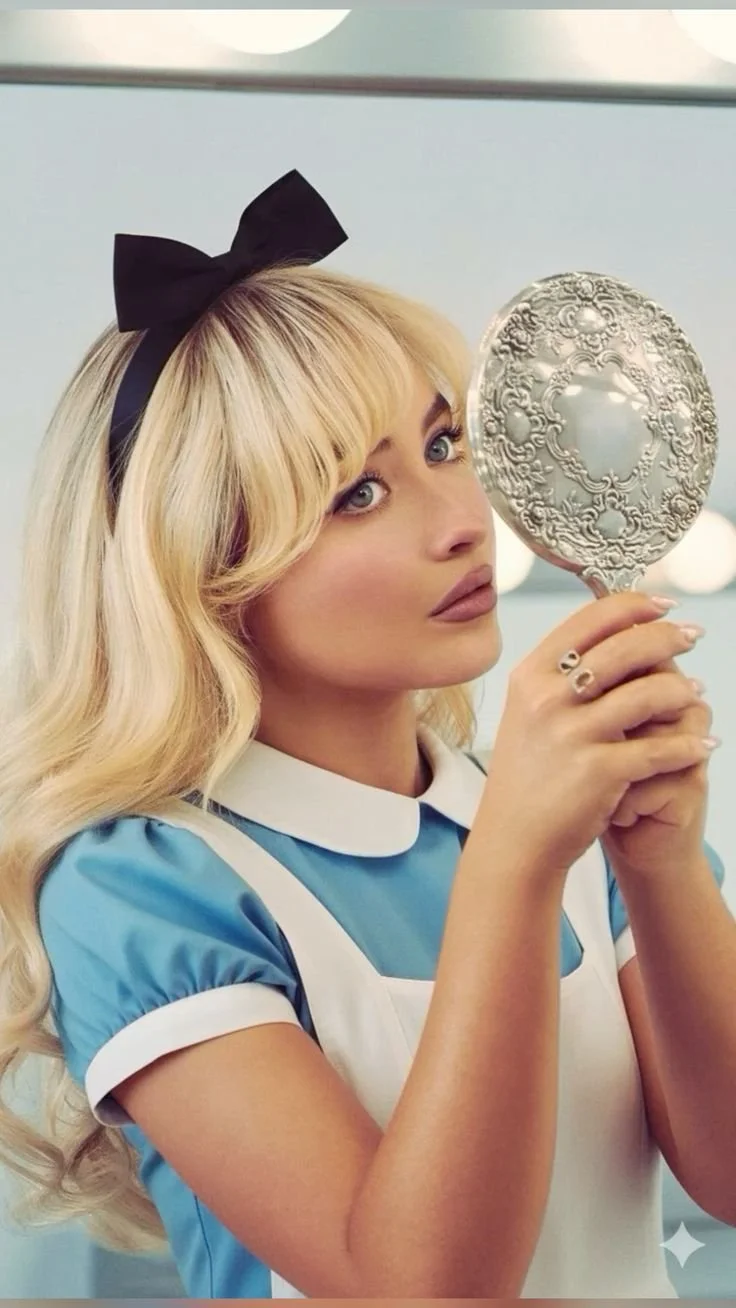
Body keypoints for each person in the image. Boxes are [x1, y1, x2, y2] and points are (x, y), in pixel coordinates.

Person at [0, 169, 725, 1300]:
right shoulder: (145, 887)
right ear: (205, 572)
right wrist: (516, 859)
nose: (459, 524)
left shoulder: (570, 812)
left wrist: (664, 863)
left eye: (441, 448)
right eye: (355, 496)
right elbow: (419, 1289)